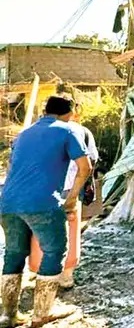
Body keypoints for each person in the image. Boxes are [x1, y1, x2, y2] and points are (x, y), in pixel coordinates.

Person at [0, 95, 92, 327]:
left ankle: (8, 315)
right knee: (54, 251)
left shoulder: (25, 134)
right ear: (69, 113)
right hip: (43, 202)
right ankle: (41, 314)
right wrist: (71, 199)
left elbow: (15, 167)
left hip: (8, 202)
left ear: (45, 111)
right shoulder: (67, 130)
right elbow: (85, 167)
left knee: (14, 253)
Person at [28, 102, 99, 289]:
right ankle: (66, 275)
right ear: (72, 112)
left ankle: (41, 272)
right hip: (71, 188)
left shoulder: (34, 131)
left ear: (45, 112)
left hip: (42, 189)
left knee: (40, 231)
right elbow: (92, 160)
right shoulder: (82, 131)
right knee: (71, 232)